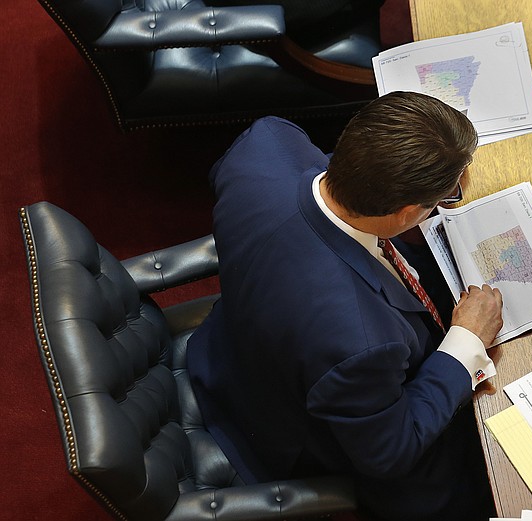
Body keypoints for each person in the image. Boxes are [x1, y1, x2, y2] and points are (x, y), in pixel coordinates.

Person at [187, 91, 504, 521]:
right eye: (446, 196)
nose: (451, 197)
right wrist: (466, 342)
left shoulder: (267, 143)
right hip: (292, 427)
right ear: (405, 212)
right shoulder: (360, 342)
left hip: (229, 345)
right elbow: (391, 452)